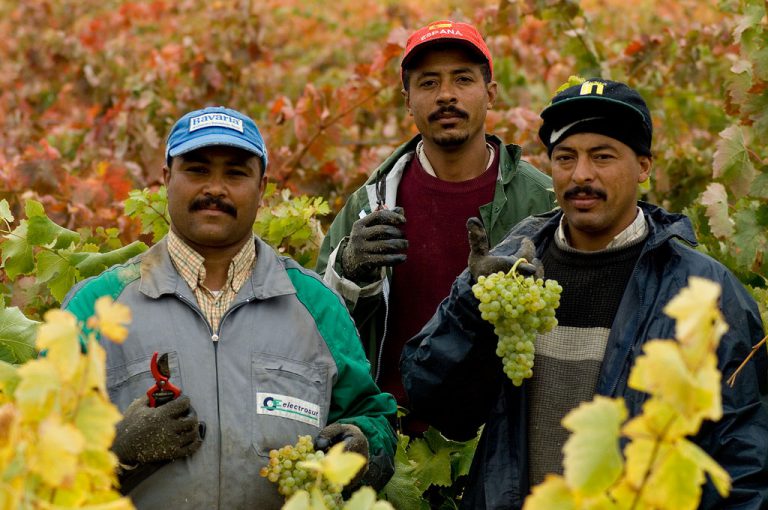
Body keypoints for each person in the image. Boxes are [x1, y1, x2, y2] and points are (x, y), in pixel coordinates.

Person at [401, 79, 768, 508]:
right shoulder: (509, 269)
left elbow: (745, 464)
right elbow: (436, 402)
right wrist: (471, 307)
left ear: (644, 167)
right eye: (565, 157)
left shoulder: (705, 293)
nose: (581, 175)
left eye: (602, 157)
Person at [62, 106, 398, 508]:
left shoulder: (315, 305)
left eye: (236, 173)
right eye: (198, 170)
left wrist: (364, 447)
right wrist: (117, 450)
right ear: (167, 179)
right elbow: (40, 447)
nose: (215, 189)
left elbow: (371, 416)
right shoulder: (95, 306)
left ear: (262, 188)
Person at [315, 20, 556, 429]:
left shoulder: (543, 201)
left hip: (505, 440)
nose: (446, 95)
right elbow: (317, 323)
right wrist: (348, 271)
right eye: (429, 83)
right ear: (408, 101)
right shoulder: (371, 201)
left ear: (490, 94)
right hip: (395, 448)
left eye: (462, 79)